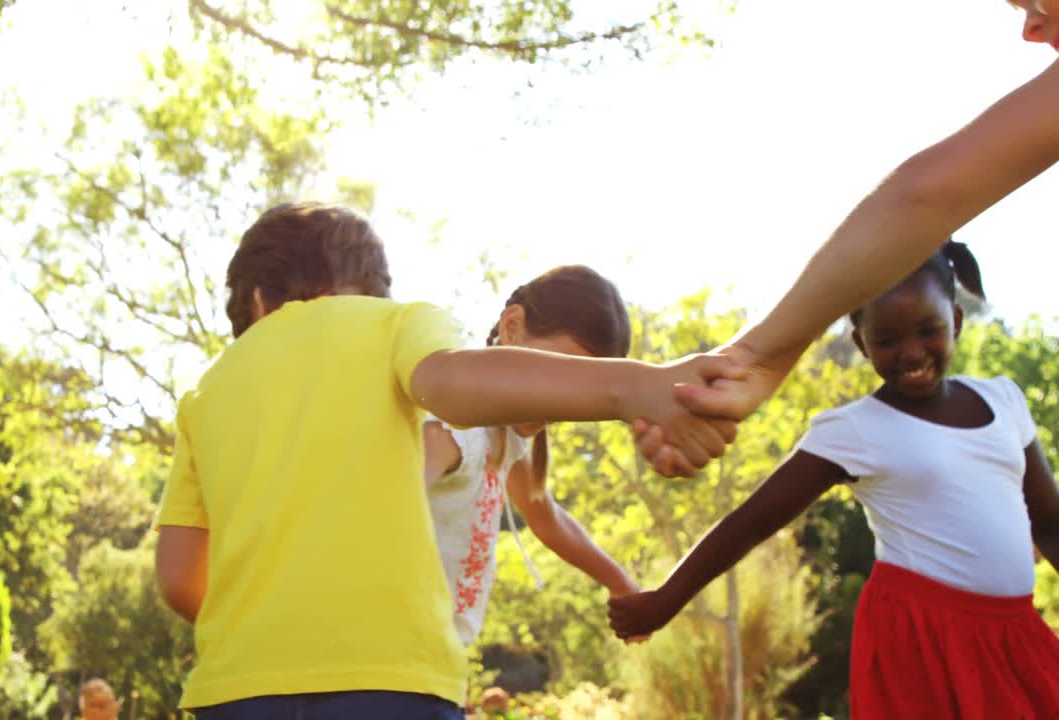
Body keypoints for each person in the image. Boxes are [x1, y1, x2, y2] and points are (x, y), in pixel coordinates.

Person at [153, 202, 741, 719]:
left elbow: (180, 579)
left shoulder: (205, 393)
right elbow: (430, 435)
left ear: (258, 297)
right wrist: (635, 389)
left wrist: (618, 580)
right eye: (569, 375)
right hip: (392, 664)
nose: (567, 399)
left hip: (241, 680)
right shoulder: (420, 354)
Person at [609, 242, 1059, 718]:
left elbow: (1049, 521)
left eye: (929, 331)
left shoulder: (1004, 401)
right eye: (887, 340)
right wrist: (666, 599)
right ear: (862, 342)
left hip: (1011, 629)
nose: (910, 353)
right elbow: (749, 524)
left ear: (957, 322)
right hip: (920, 635)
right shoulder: (853, 430)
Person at [633, 3, 1059, 477]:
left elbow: (929, 197)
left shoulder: (1000, 404)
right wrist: (754, 360)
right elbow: (928, 196)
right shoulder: (852, 432)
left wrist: (755, 359)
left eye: (1036, 1)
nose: (1032, 29)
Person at [425, 266, 641, 648]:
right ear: (511, 327)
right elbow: (379, 501)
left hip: (435, 660)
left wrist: (619, 582)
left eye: (583, 389)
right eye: (557, 372)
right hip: (382, 664)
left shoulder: (502, 432)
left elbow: (547, 517)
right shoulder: (457, 426)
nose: (563, 397)